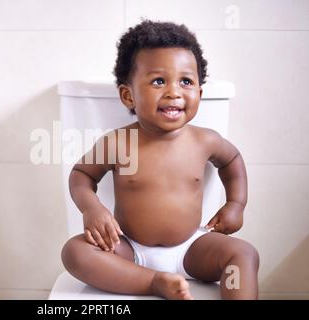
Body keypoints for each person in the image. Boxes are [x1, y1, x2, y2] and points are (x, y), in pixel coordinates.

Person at [61, 20, 259, 300]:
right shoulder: (118, 143)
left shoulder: (205, 141)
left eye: (186, 81)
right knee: (75, 252)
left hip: (192, 248)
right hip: (128, 249)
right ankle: (154, 282)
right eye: (158, 81)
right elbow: (81, 175)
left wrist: (236, 204)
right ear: (128, 96)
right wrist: (91, 209)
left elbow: (232, 161)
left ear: (199, 94)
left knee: (244, 254)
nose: (174, 92)